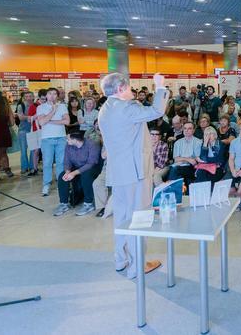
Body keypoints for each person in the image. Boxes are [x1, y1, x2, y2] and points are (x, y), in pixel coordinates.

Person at [98, 72, 168, 279]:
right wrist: (159, 86)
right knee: (139, 217)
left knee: (121, 218)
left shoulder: (105, 109)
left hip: (118, 172)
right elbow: (157, 110)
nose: (131, 91)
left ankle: (121, 259)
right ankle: (138, 265)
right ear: (121, 89)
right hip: (136, 172)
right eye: (129, 88)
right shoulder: (127, 107)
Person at [54, 131, 102, 217]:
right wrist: (68, 172)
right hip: (76, 167)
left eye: (68, 139)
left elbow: (91, 163)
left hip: (92, 168)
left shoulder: (91, 144)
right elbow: (67, 161)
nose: (66, 140)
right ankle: (64, 204)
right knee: (62, 176)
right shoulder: (68, 146)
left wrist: (74, 173)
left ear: (75, 140)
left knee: (86, 175)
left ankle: (88, 204)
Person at [36, 87, 70, 196]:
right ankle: (46, 184)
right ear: (46, 95)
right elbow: (41, 122)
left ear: (57, 96)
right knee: (47, 163)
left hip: (61, 138)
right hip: (47, 139)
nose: (52, 96)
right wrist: (53, 110)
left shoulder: (63, 106)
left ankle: (61, 183)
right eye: (50, 93)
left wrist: (49, 121)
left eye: (55, 94)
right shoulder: (41, 107)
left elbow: (67, 121)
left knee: (61, 162)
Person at [15, 91, 35, 175]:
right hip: (23, 131)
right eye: (26, 96)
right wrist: (32, 117)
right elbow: (21, 117)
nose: (28, 98)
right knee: (23, 150)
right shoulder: (21, 106)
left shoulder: (36, 106)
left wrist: (27, 117)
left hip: (33, 130)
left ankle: (32, 167)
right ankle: (24, 167)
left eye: (30, 96)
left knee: (33, 150)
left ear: (33, 97)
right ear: (24, 98)